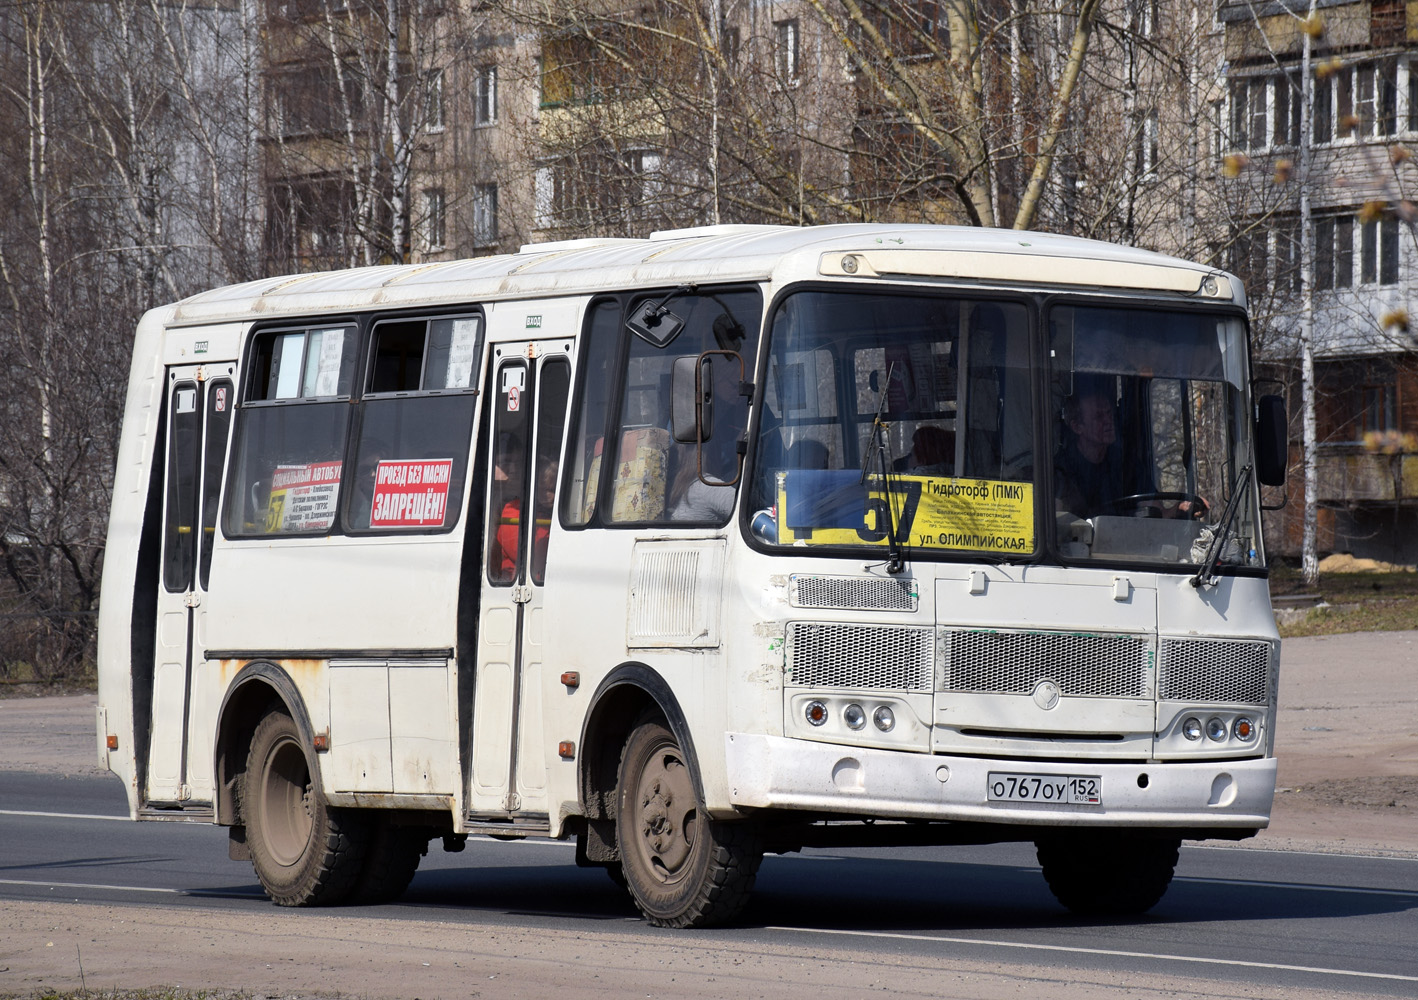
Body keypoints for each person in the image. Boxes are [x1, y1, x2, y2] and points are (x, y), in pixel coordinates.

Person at [1055, 388, 1203, 519]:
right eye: (1099, 416)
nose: (1108, 421)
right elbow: (1061, 523)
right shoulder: (1060, 471)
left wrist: (1179, 509)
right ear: (1077, 427)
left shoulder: (1125, 462)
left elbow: (1157, 512)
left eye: (1109, 413)